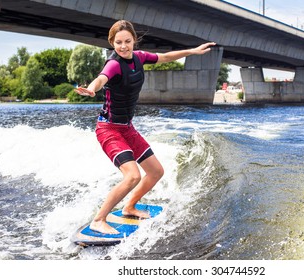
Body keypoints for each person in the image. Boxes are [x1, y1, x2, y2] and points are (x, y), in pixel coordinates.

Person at [75, 20, 216, 234]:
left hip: (127, 128)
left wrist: (193, 51)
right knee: (132, 176)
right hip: (109, 129)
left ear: (134, 40)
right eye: (118, 42)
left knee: (156, 171)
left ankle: (129, 207)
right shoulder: (113, 64)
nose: (123, 46)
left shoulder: (139, 58)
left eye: (127, 41)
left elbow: (166, 57)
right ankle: (99, 219)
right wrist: (92, 89)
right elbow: (101, 78)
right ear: (112, 43)